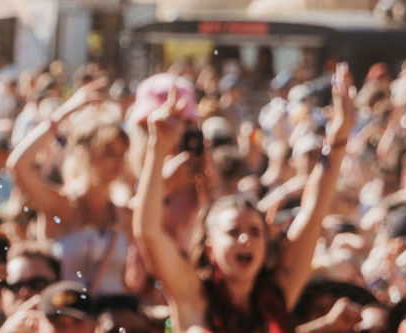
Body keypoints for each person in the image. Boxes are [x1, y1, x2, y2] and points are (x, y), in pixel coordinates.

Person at [131, 64, 356, 333]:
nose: (245, 240)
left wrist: (341, 134)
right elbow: (148, 232)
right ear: (210, 247)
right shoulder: (192, 293)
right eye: (233, 231)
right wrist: (158, 149)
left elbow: (314, 210)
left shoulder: (278, 291)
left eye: (255, 232)